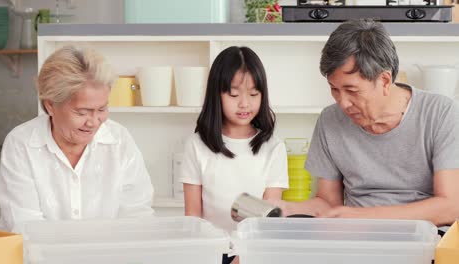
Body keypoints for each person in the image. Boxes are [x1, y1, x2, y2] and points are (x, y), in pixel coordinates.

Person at [277, 19, 459, 228]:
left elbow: (451, 206)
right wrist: (283, 208)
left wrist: (364, 216)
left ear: (384, 80)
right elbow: (328, 203)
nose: (343, 103)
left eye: (352, 90)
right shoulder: (330, 120)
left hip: (426, 239)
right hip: (356, 238)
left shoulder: (441, 113)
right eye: (334, 89)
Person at [0, 46, 154, 233]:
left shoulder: (119, 141)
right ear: (51, 105)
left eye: (102, 109)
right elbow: (25, 226)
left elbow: (136, 216)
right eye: (82, 112)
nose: (94, 122)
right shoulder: (22, 144)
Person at [179, 46, 289, 264]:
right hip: (209, 253)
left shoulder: (273, 148)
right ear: (216, 95)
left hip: (254, 252)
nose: (245, 104)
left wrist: (243, 256)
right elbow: (193, 218)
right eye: (234, 94)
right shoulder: (196, 145)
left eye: (254, 94)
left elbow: (267, 221)